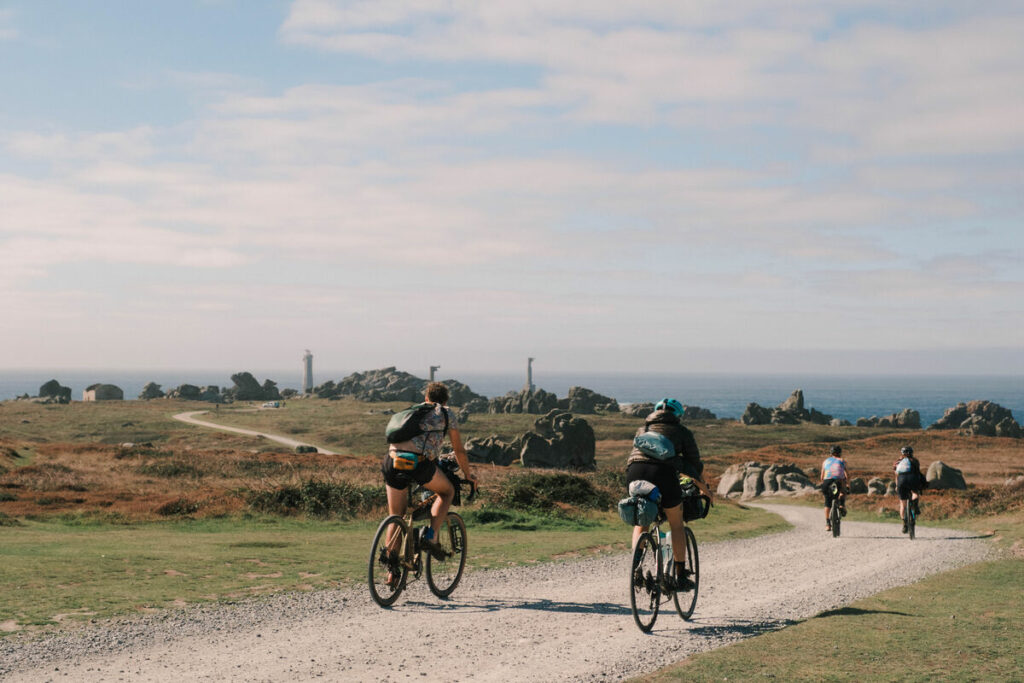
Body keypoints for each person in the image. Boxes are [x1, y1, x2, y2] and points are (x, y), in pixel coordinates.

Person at [382, 382, 477, 567]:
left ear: (426, 398)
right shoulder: (446, 413)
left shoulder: (413, 411)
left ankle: (390, 572)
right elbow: (459, 450)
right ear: (446, 400)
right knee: (447, 492)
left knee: (396, 515)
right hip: (418, 464)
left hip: (392, 460)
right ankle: (431, 537)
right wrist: (468, 475)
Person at [625, 398, 711, 592]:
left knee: (642, 520)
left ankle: (635, 569)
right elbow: (695, 466)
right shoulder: (682, 432)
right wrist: (705, 491)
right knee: (676, 523)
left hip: (634, 473)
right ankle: (680, 575)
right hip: (662, 475)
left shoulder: (643, 430)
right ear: (678, 416)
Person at [893, 445, 925, 533]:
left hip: (901, 481)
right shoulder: (914, 461)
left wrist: (897, 486)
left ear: (902, 453)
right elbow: (918, 473)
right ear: (912, 453)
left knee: (902, 504)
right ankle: (915, 504)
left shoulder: (897, 462)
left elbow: (896, 475)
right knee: (915, 493)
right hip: (912, 479)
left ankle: (904, 524)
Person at [820, 444, 849, 531]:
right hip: (837, 482)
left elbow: (821, 477)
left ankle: (828, 524)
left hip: (826, 482)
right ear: (840, 453)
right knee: (843, 488)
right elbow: (847, 475)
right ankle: (841, 504)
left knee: (827, 502)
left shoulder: (825, 461)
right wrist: (848, 486)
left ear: (831, 453)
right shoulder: (842, 460)